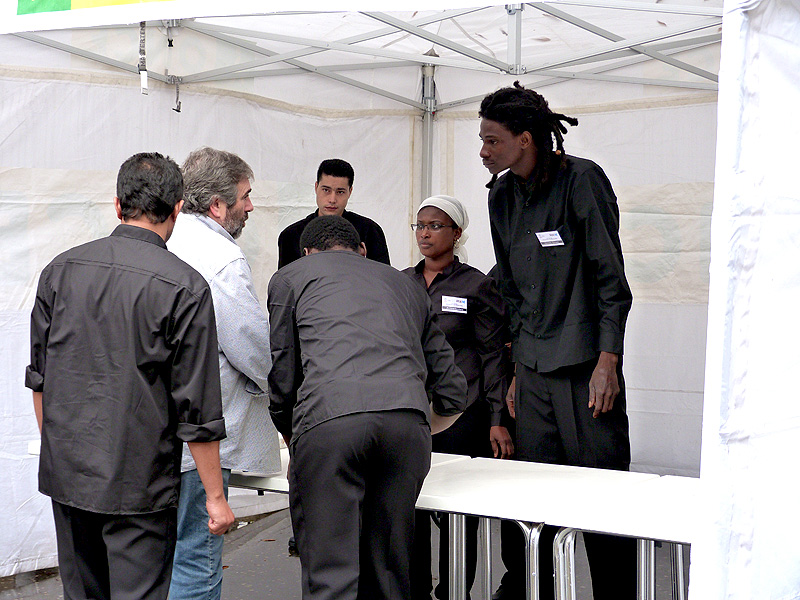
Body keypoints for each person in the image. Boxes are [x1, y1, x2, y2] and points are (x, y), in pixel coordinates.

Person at [25, 152, 234, 600]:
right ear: (178, 208)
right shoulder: (186, 286)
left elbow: (40, 379)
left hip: (70, 474)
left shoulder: (59, 271)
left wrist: (60, 453)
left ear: (118, 206)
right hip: (139, 481)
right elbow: (196, 406)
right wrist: (215, 498)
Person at [479, 82, 635, 600]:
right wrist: (518, 373)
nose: (484, 151)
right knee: (535, 506)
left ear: (525, 138)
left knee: (601, 503)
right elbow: (513, 291)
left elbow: (611, 280)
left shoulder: (582, 181)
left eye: (492, 141)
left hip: (587, 370)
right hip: (534, 372)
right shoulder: (501, 196)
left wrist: (608, 361)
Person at [267, 215, 468, 600]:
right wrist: (420, 423)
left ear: (306, 253)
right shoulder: (404, 284)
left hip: (330, 422)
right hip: (405, 429)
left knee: (331, 575)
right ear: (362, 250)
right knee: (390, 572)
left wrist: (291, 428)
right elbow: (452, 389)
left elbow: (283, 372)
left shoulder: (291, 277)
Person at [166, 147, 281, 600]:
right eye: (245, 197)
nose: (250, 206)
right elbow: (251, 345)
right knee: (196, 556)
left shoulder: (166, 240)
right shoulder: (220, 257)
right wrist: (281, 391)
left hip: (152, 433)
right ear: (217, 205)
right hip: (202, 437)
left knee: (160, 558)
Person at [403, 195, 513, 600]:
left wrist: (498, 417)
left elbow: (492, 356)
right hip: (412, 413)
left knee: (455, 515)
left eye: (435, 225)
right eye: (420, 226)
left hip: (461, 415)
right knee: (409, 508)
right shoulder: (402, 281)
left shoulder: (477, 285)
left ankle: (454, 591)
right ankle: (414, 589)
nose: (425, 233)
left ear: (457, 233)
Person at [276, 158, 391, 267]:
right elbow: (285, 283)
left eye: (340, 192)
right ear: (316, 187)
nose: (332, 199)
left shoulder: (369, 231)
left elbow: (383, 281)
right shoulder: (291, 236)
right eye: (326, 190)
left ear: (350, 192)